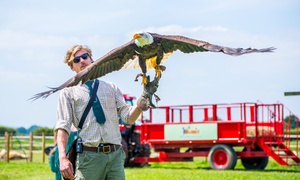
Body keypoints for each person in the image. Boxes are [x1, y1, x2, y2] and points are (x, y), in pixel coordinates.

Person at [55, 45, 156, 180]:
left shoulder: (111, 88)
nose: (82, 61)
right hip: (89, 157)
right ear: (72, 67)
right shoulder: (68, 92)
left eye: (85, 57)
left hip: (115, 156)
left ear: (92, 60)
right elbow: (63, 127)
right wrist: (62, 157)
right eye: (76, 60)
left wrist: (141, 103)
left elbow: (128, 118)